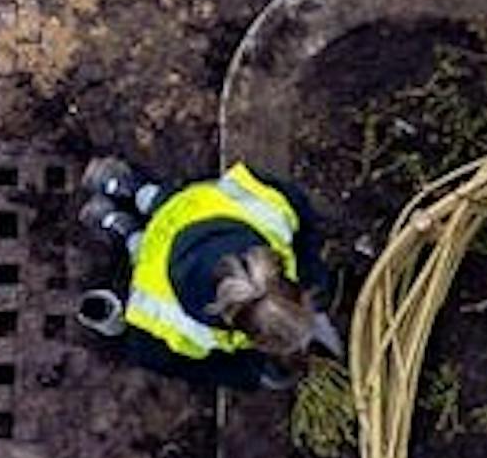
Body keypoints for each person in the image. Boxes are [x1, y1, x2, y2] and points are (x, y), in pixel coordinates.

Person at [70, 155, 338, 390]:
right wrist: (249, 375)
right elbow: (151, 354)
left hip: (191, 206)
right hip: (154, 259)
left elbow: (298, 207)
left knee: (161, 198)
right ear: (242, 333)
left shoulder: (269, 216)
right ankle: (129, 231)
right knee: (141, 250)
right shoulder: (174, 324)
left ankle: (136, 193)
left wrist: (313, 274)